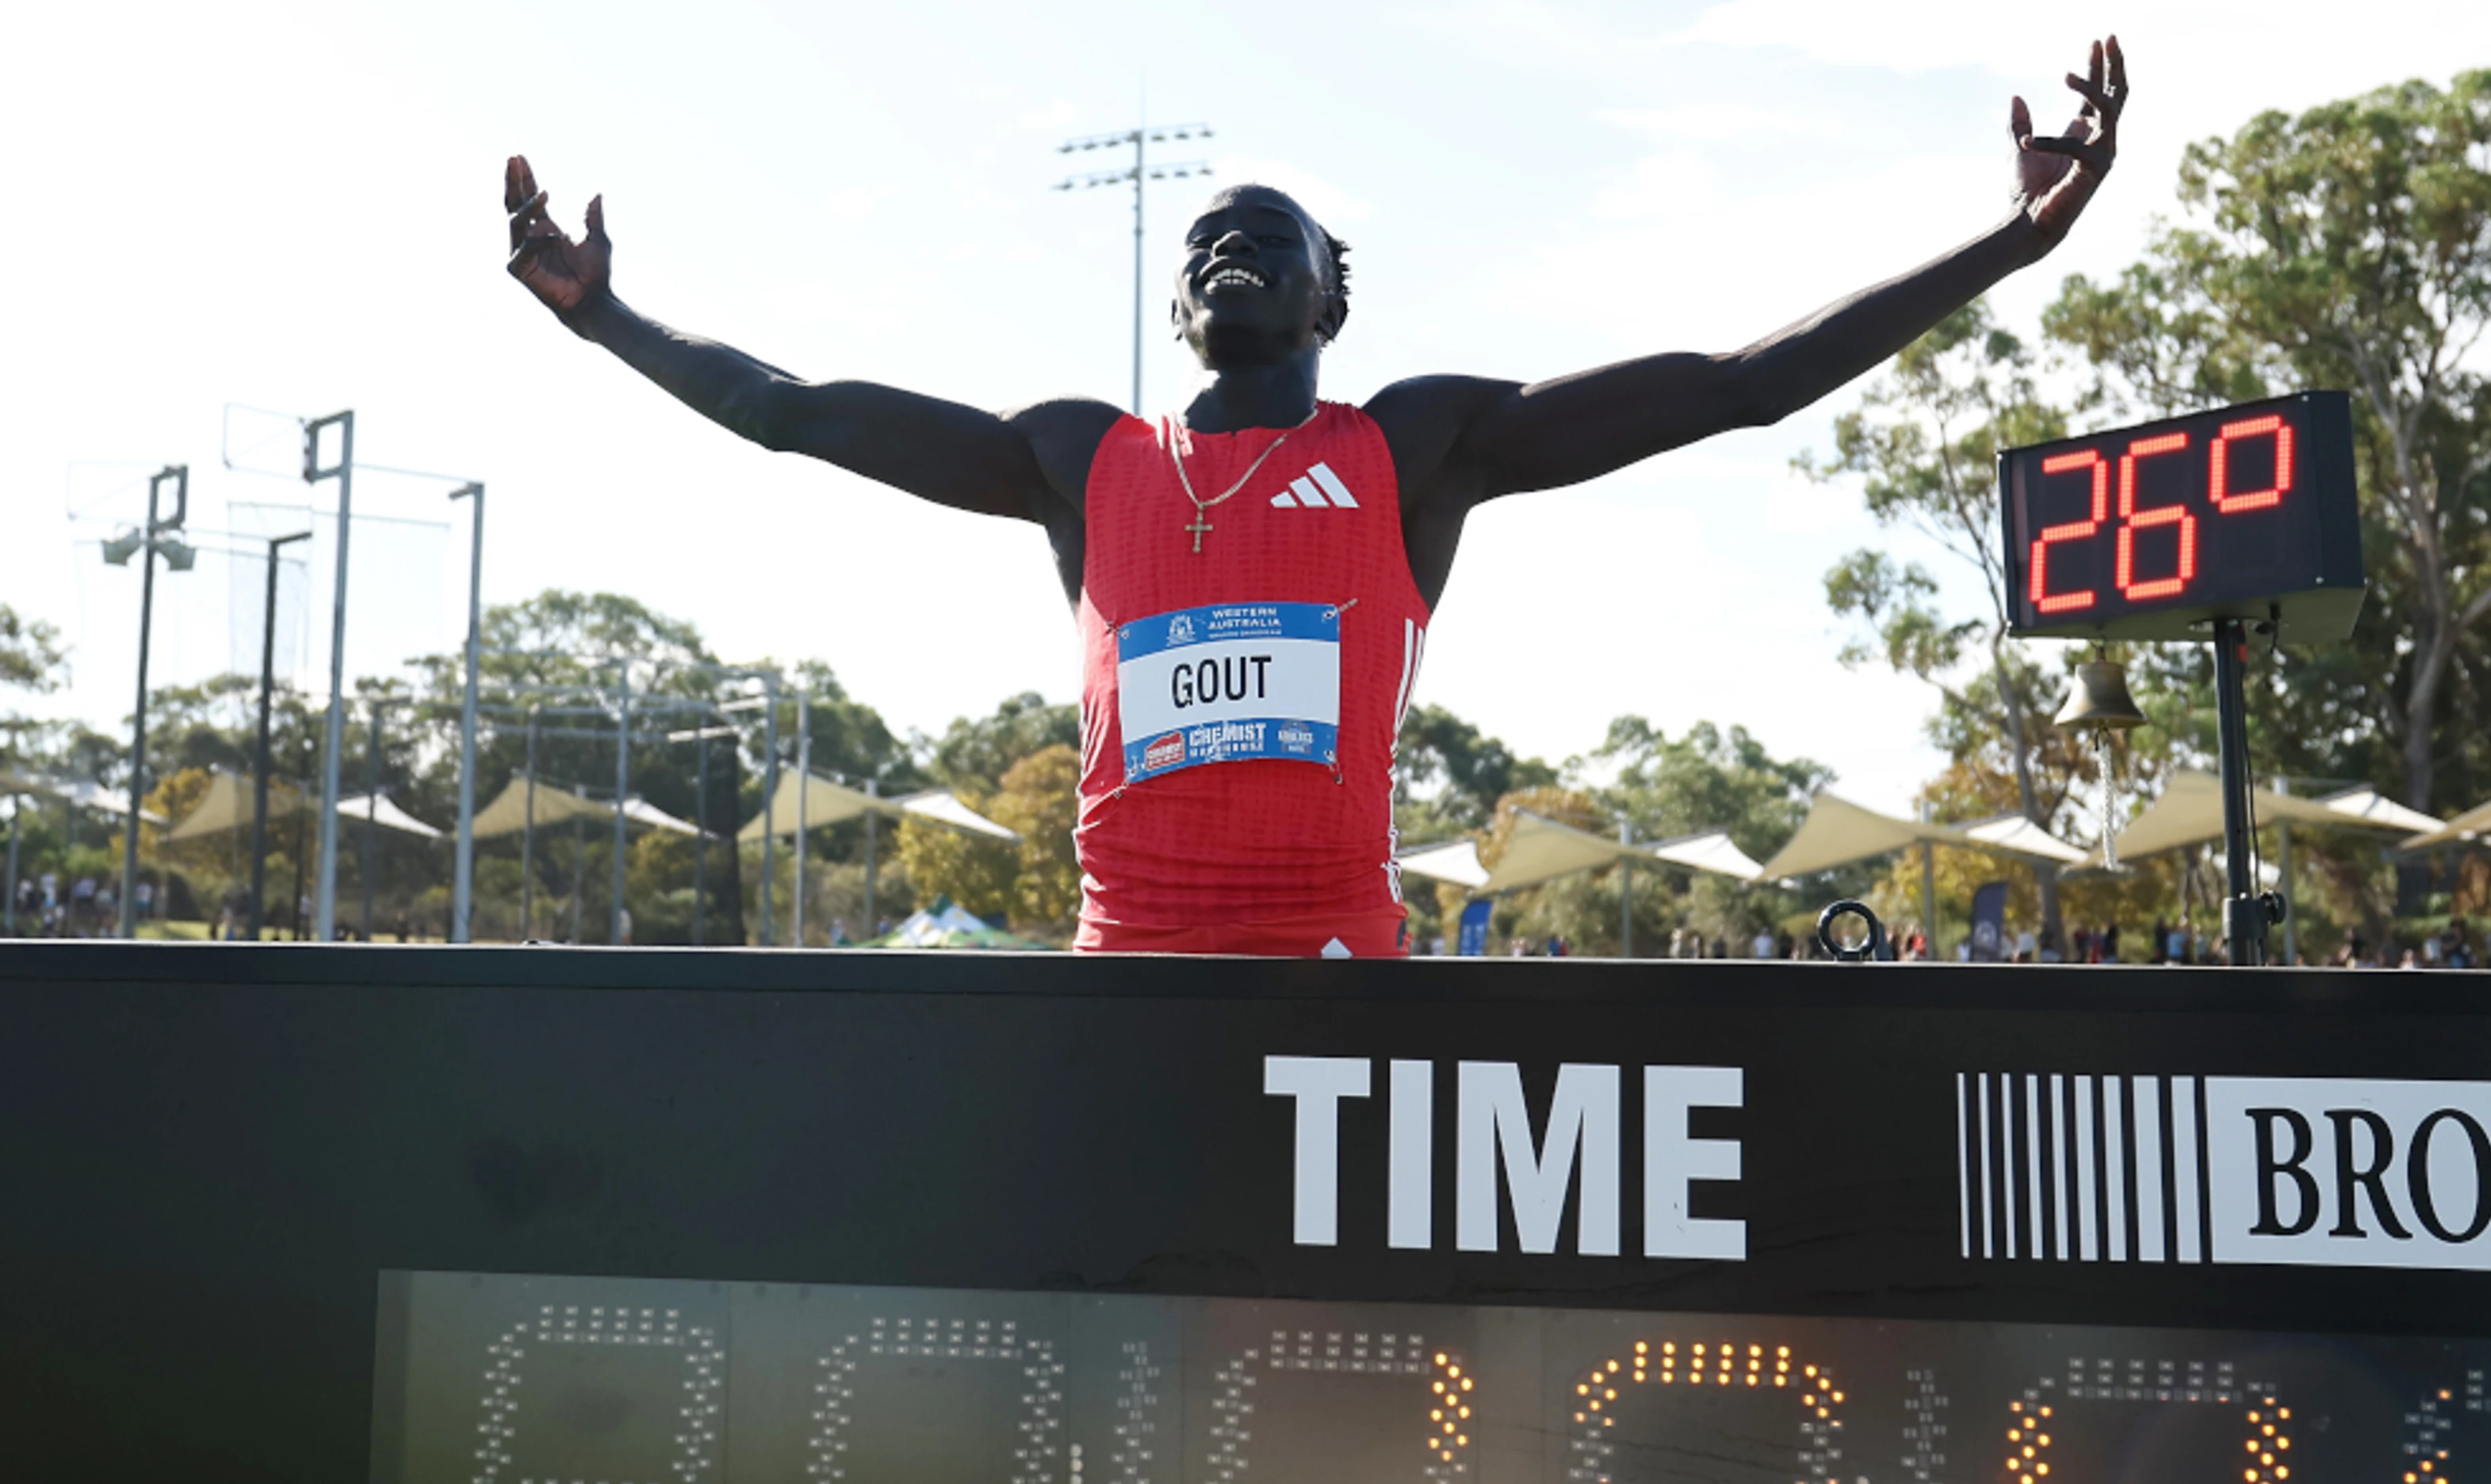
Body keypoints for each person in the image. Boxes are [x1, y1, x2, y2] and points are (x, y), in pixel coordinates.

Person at [501, 41, 2126, 957]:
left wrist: (2011, 240)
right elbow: (792, 416)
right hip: (1124, 976)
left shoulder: (1416, 447)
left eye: (1267, 233)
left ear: (1331, 299)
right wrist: (605, 318)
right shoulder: (1081, 459)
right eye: (1207, 238)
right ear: (1178, 307)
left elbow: (1737, 384)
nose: (1230, 242)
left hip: (1340, 978)